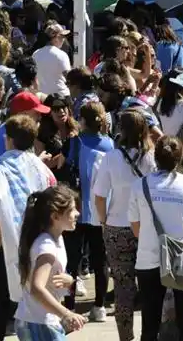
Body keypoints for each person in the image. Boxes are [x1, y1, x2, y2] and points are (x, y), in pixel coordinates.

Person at [0, 115, 57, 341]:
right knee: (31, 298)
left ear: (8, 140)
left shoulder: (1, 165)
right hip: (35, 238)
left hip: (4, 238)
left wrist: (1, 232)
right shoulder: (40, 166)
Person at [127, 136, 183, 341]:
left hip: (148, 257)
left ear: (156, 157)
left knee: (149, 324)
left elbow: (135, 228)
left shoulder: (139, 186)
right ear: (180, 158)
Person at [91, 111, 156, 341]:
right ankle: (151, 334)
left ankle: (125, 337)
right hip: (146, 229)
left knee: (123, 287)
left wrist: (103, 220)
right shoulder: (152, 157)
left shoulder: (111, 158)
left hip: (117, 226)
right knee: (150, 285)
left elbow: (99, 195)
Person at [15, 185, 86, 341]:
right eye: (72, 210)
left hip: (41, 321)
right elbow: (36, 288)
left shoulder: (56, 238)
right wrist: (66, 314)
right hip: (38, 323)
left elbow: (50, 277)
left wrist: (69, 280)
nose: (77, 213)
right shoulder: (46, 246)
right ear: (55, 217)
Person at [62, 101, 113, 320]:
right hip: (102, 209)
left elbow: (64, 169)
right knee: (101, 260)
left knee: (71, 260)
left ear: (82, 120)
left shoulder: (74, 142)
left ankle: (69, 305)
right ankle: (99, 306)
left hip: (76, 208)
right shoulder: (111, 145)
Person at [33, 23, 72, 96]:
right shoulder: (61, 55)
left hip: (42, 97)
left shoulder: (35, 54)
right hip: (60, 98)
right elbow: (69, 78)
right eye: (62, 36)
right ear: (56, 38)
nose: (64, 39)